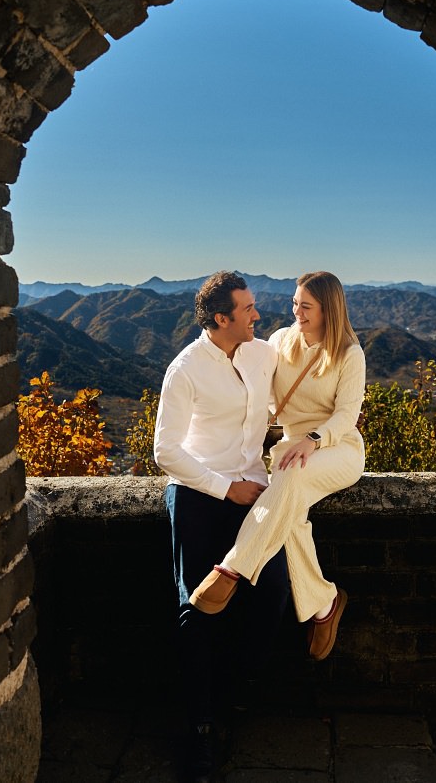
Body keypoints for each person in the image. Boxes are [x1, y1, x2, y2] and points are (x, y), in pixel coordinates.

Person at [153, 270, 290, 783]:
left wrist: (331, 426)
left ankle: (237, 692)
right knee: (198, 605)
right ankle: (199, 728)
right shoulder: (185, 369)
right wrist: (223, 488)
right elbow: (165, 451)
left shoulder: (261, 354)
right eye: (248, 308)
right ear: (221, 318)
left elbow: (299, 389)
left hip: (253, 490)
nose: (257, 315)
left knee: (274, 587)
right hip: (198, 493)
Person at [187, 270, 366, 663]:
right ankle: (325, 603)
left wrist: (313, 439)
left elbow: (346, 416)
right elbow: (258, 387)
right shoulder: (282, 341)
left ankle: (232, 568)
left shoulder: (349, 354)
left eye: (306, 306)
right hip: (291, 450)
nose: (296, 312)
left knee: (289, 479)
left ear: (328, 310)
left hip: (337, 448)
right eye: (295, 303)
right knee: (289, 511)